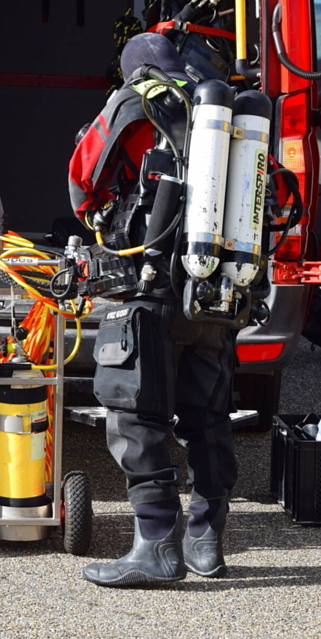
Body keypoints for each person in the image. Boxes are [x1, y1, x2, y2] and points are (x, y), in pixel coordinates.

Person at [68, 33, 238, 587]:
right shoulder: (225, 111)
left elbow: (83, 181)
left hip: (151, 284)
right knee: (208, 417)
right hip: (215, 290)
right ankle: (206, 543)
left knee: (135, 416)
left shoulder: (135, 100)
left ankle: (156, 547)